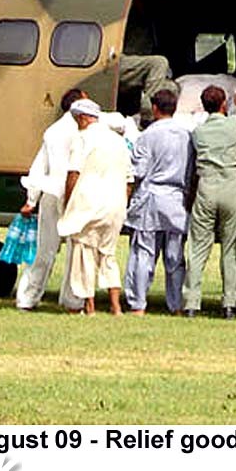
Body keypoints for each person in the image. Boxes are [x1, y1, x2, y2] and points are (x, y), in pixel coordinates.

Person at [56, 98, 132, 315]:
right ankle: (115, 306)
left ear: (81, 118)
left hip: (89, 203)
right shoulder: (118, 140)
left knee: (85, 254)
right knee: (108, 254)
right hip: (115, 205)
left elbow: (73, 173)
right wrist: (122, 203)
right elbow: (129, 179)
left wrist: (68, 203)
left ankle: (89, 306)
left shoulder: (82, 138)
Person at [182, 84, 236, 319]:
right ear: (223, 104)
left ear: (203, 106)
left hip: (206, 188)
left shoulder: (198, 132)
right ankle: (230, 303)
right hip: (231, 186)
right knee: (231, 248)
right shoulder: (234, 124)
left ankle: (191, 302)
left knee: (198, 248)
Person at [16, 87, 85, 312]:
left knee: (44, 250)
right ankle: (72, 300)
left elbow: (39, 166)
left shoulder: (53, 131)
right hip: (74, 195)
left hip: (50, 192)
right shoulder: (85, 131)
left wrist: (31, 199)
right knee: (76, 249)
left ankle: (27, 297)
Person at [123, 89, 192, 315]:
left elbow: (139, 170)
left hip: (151, 199)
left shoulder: (147, 136)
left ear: (154, 108)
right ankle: (176, 305)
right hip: (176, 199)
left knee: (144, 253)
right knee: (174, 257)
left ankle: (138, 304)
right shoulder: (187, 135)